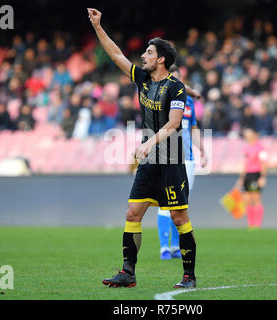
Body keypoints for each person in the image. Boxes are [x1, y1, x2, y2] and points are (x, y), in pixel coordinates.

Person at [88, 8, 197, 289]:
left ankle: (189, 276)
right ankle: (128, 273)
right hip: (150, 162)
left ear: (161, 59)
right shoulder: (142, 79)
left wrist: (148, 141)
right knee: (132, 213)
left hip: (170, 159)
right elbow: (116, 56)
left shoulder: (177, 87)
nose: (143, 57)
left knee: (179, 216)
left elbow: (174, 124)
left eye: (148, 53)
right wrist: (98, 26)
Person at [157, 65, 206, 260]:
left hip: (188, 159)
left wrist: (202, 149)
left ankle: (177, 247)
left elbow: (193, 128)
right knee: (164, 202)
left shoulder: (189, 104)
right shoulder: (160, 100)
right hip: (167, 157)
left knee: (182, 203)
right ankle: (163, 247)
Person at [235, 127, 268, 229]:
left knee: (256, 198)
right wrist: (241, 178)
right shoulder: (245, 148)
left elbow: (264, 163)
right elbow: (245, 164)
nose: (247, 136)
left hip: (256, 174)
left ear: (254, 135)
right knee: (247, 199)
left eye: (249, 134)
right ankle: (250, 224)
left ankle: (257, 224)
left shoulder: (260, 148)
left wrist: (262, 177)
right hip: (247, 175)